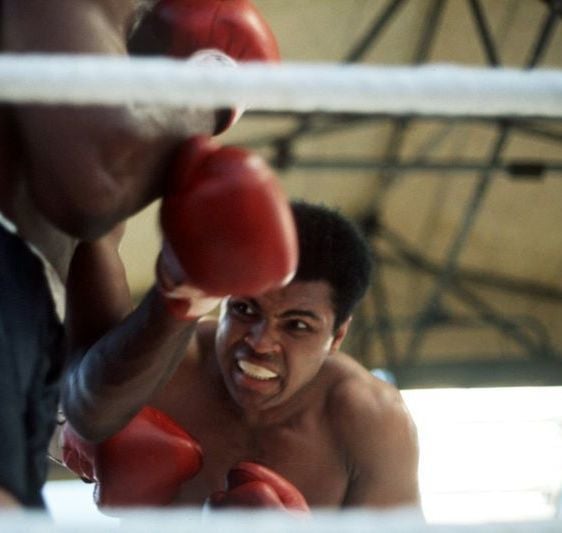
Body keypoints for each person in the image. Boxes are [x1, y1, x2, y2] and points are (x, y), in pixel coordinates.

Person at [0, 0, 292, 509]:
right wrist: (211, 87)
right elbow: (92, 187)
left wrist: (182, 298)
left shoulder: (118, 129)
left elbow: (88, 404)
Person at [61, 201, 421, 512]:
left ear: (337, 336)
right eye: (245, 309)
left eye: (296, 325)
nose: (261, 343)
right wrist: (67, 431)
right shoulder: (161, 367)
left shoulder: (370, 419)